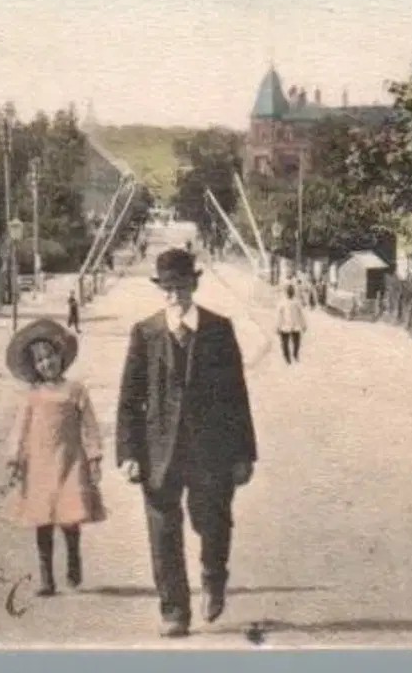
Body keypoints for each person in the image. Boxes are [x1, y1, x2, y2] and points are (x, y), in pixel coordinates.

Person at [116, 248, 258, 638]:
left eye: (181, 287)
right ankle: (174, 610)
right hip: (159, 450)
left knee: (212, 519)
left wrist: (244, 453)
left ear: (194, 285)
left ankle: (213, 576)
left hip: (211, 448)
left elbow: (236, 394)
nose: (175, 295)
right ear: (160, 289)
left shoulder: (219, 329)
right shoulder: (145, 333)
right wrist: (128, 453)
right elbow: (129, 398)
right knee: (163, 530)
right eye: (168, 288)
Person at [3, 318, 106, 597]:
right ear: (34, 367)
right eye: (40, 361)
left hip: (71, 462)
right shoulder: (32, 395)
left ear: (61, 357)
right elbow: (20, 428)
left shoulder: (75, 390)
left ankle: (73, 559)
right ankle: (46, 578)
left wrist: (94, 457)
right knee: (43, 519)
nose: (47, 364)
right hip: (39, 465)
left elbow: (90, 426)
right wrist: (15, 459)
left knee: (70, 516)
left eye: (50, 357)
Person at [275, 284, 307, 364]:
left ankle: (295, 354)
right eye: (289, 291)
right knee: (285, 344)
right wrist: (278, 326)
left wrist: (303, 325)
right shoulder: (282, 303)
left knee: (296, 343)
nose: (290, 293)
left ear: (293, 292)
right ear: (286, 292)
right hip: (285, 326)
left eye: (291, 291)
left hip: (295, 326)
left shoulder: (297, 302)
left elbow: (301, 315)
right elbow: (279, 316)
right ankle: (287, 358)